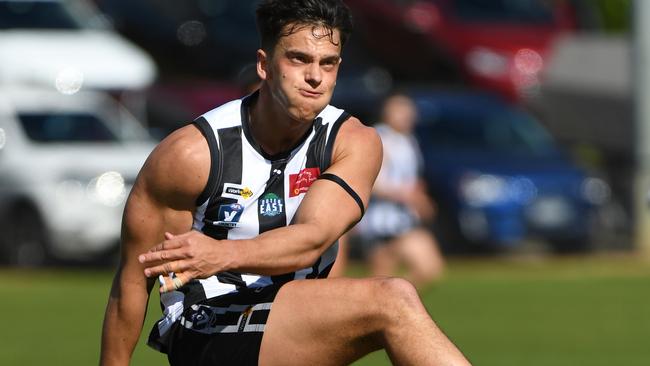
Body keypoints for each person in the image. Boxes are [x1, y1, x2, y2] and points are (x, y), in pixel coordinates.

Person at [100, 1, 471, 365]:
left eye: (328, 63)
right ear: (264, 65)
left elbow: (313, 238)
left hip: (297, 318)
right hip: (209, 326)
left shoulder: (353, 141)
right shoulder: (191, 155)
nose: (315, 76)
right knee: (393, 299)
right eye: (299, 59)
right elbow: (133, 280)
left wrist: (221, 254)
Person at [355, 93, 445, 287]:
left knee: (429, 269)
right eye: (399, 110)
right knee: (380, 283)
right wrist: (406, 195)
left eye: (408, 110)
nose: (406, 115)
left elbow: (408, 179)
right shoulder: (379, 137)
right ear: (386, 112)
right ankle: (385, 308)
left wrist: (419, 196)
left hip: (404, 221)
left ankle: (395, 305)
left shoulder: (408, 141)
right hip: (380, 224)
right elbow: (371, 182)